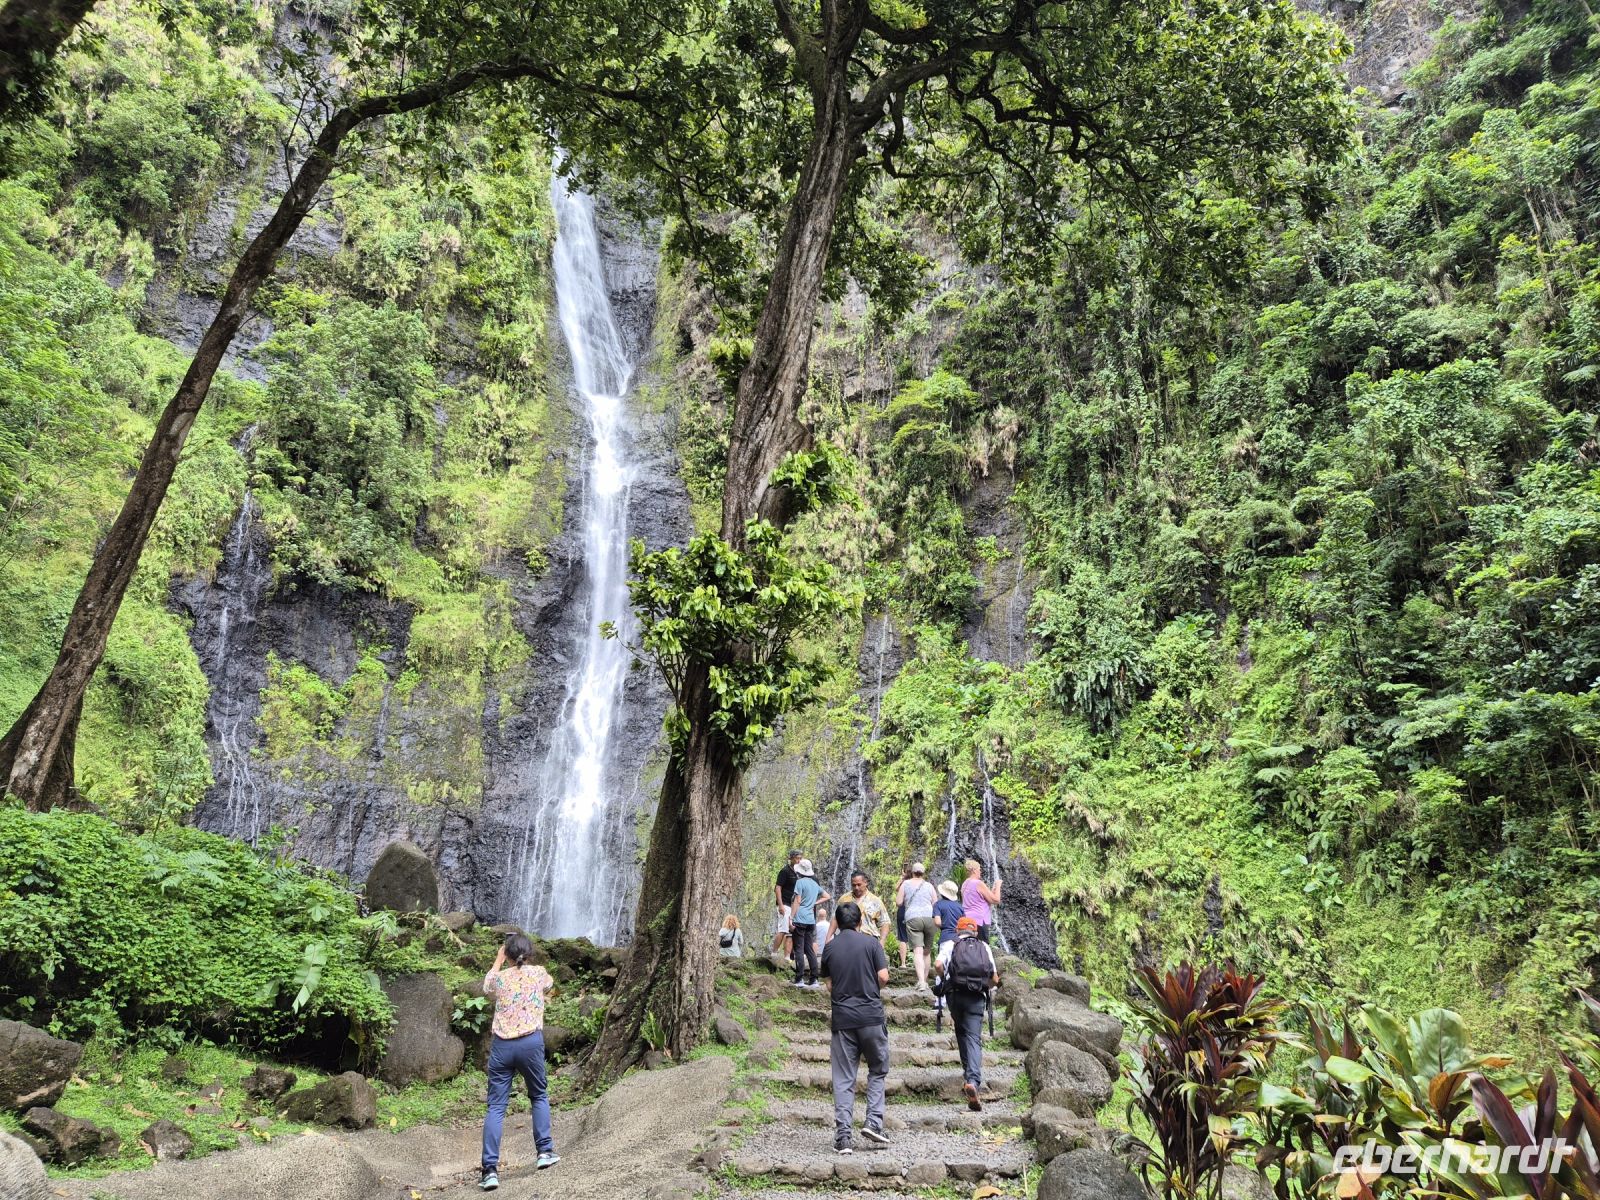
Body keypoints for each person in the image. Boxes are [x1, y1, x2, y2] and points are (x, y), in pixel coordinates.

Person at [479, 933, 559, 1191]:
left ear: (508, 955)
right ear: (530, 954)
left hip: (502, 1047)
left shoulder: (499, 979)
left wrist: (498, 961)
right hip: (530, 1043)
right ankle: (545, 1153)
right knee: (538, 1096)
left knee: (496, 1108)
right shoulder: (538, 973)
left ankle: (490, 1170)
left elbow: (486, 986)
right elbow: (549, 986)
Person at [820, 900, 891, 1155]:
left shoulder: (829, 949)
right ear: (860, 921)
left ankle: (843, 1137)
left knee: (843, 1077)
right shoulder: (872, 944)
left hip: (843, 1019)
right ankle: (873, 1122)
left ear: (837, 922)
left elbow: (828, 984)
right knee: (878, 1068)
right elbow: (883, 977)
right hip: (871, 1016)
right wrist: (870, 988)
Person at [934, 916, 999, 1112]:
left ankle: (967, 1074)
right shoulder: (984, 947)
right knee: (973, 1037)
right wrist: (982, 985)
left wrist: (944, 978)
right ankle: (973, 1080)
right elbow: (995, 978)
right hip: (976, 996)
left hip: (955, 995)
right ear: (975, 931)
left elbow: (937, 965)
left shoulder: (950, 944)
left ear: (957, 929)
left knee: (961, 1033)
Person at [896, 862, 938, 993]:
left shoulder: (906, 884)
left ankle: (921, 982)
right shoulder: (929, 885)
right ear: (923, 873)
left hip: (913, 918)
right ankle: (924, 980)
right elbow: (935, 903)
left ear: (912, 872)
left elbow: (898, 902)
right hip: (929, 918)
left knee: (918, 952)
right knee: (927, 951)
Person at [790, 858, 830, 988]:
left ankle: (799, 979)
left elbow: (797, 901)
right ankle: (814, 980)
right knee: (810, 950)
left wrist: (791, 917)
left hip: (799, 918)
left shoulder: (799, 882)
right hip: (811, 920)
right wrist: (815, 903)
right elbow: (827, 896)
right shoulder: (814, 884)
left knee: (799, 950)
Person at [961, 858, 1002, 943]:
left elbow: (982, 899)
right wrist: (998, 886)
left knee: (970, 946)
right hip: (979, 921)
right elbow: (996, 900)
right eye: (979, 869)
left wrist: (992, 890)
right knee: (982, 947)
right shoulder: (978, 883)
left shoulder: (964, 884)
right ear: (975, 871)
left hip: (967, 920)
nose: (980, 871)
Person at [847, 871, 890, 947]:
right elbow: (835, 918)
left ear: (866, 883)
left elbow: (885, 922)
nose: (856, 888)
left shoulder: (876, 901)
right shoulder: (844, 899)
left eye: (859, 885)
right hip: (849, 941)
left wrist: (882, 941)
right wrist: (828, 937)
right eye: (854, 885)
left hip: (870, 940)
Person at [773, 849, 802, 959]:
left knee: (790, 931)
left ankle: (787, 957)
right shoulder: (785, 871)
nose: (798, 860)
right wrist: (780, 905)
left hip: (792, 905)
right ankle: (774, 953)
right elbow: (777, 888)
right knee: (783, 929)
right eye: (796, 858)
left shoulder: (797, 872)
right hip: (784, 904)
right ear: (791, 858)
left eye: (800, 858)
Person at [933, 879, 965, 947]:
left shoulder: (938, 904)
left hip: (945, 937)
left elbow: (937, 922)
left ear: (942, 893)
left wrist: (945, 925)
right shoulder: (959, 906)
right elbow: (964, 922)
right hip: (958, 939)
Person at [893, 866, 912, 968]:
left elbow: (896, 889)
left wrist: (902, 878)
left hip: (903, 910)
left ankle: (903, 963)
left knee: (903, 938)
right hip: (915, 912)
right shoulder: (917, 884)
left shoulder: (904, 884)